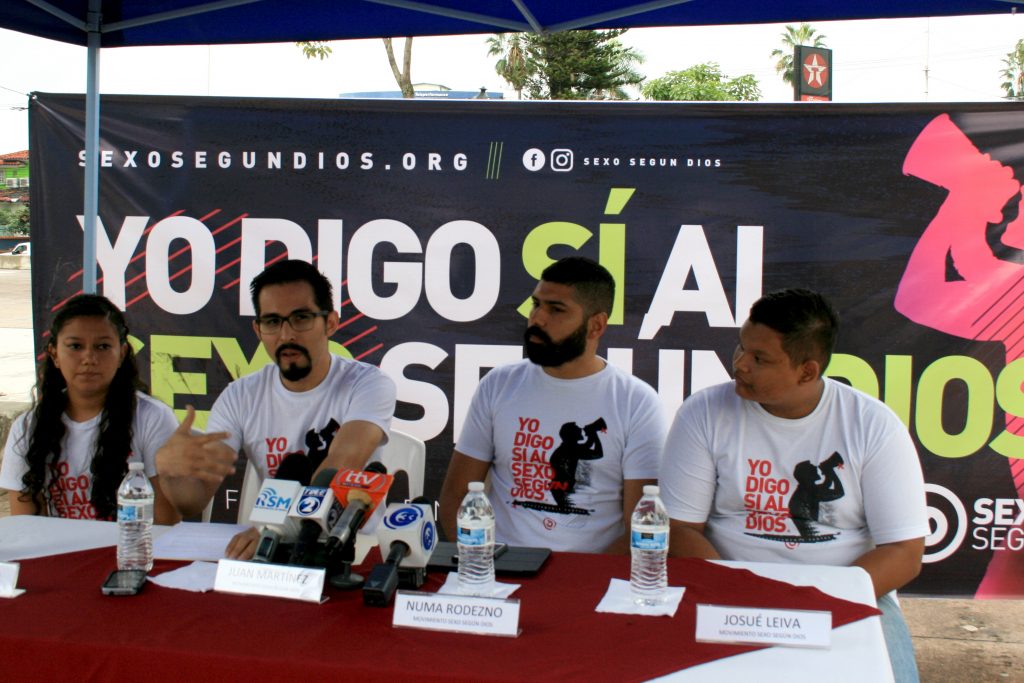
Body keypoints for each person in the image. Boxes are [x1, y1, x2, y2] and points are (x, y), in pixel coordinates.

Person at [660, 288, 927, 682]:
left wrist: (819, 605)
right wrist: (742, 597)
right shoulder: (703, 412)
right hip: (726, 588)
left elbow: (904, 552)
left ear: (807, 371)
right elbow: (681, 528)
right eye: (741, 348)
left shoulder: (873, 425)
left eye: (760, 358)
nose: (740, 364)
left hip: (846, 593)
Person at [156, 259, 397, 558]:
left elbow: (340, 465)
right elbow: (193, 501)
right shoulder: (240, 396)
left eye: (301, 318)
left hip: (356, 550)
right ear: (258, 330)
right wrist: (170, 472)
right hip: (275, 548)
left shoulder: (369, 383)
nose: (286, 335)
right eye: (272, 322)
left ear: (331, 323)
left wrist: (275, 527)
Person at [439, 257, 666, 554]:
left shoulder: (636, 402)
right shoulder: (499, 384)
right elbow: (455, 497)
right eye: (536, 304)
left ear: (596, 325)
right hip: (499, 564)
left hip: (590, 571)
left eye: (556, 309)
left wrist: (581, 579)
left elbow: (641, 527)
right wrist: (481, 564)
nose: (538, 319)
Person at [0, 294, 180, 524]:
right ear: (54, 354)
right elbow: (25, 526)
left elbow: (165, 522)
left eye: (103, 346)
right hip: (58, 547)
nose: (89, 358)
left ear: (122, 353)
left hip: (132, 546)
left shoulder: (153, 417)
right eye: (75, 346)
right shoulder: (27, 427)